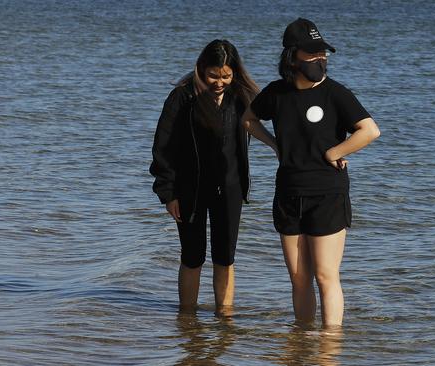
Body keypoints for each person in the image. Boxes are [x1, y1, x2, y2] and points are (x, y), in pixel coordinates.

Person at [241, 18, 380, 326]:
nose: (320, 59)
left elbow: (369, 131)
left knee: (326, 275)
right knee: (299, 277)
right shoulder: (276, 94)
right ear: (292, 57)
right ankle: (302, 342)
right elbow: (248, 119)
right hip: (289, 193)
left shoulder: (335, 94)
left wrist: (336, 151)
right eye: (312, 53)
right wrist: (275, 145)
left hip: (327, 194)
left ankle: (329, 348)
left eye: (323, 53)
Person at [150, 39, 259, 313]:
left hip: (230, 188)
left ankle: (225, 318)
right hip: (189, 190)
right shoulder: (182, 97)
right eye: (213, 75)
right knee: (192, 256)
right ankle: (187, 319)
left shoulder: (241, 97)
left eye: (226, 76)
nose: (219, 82)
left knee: (225, 257)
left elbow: (283, 115)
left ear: (235, 73)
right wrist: (168, 193)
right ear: (201, 68)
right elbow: (162, 147)